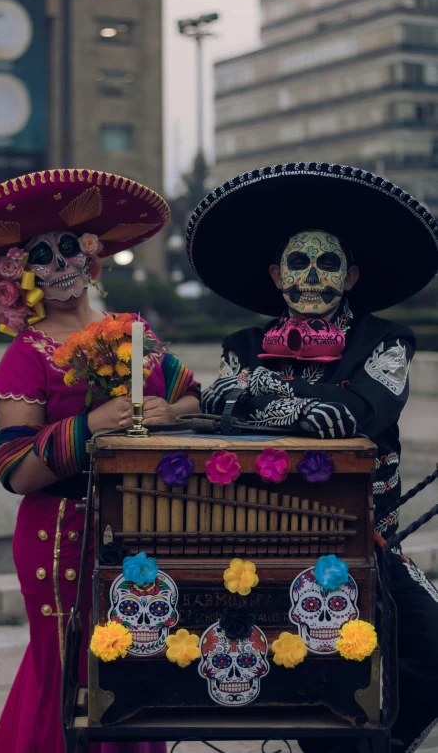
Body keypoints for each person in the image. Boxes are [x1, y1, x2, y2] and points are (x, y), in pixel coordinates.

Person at [0, 167, 201, 753]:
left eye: (70, 247)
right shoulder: (27, 354)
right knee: (69, 677)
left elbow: (192, 396)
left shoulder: (133, 333)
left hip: (141, 529)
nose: (61, 263)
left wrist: (167, 413)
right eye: (42, 255)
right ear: (19, 274)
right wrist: (89, 427)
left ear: (91, 256)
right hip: (61, 539)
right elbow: (15, 470)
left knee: (137, 670)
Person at [185, 162, 438, 753]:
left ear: (350, 276)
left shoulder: (387, 341)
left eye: (328, 264)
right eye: (299, 262)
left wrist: (260, 395)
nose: (313, 277)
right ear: (277, 276)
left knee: (430, 650)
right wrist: (309, 403)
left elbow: (359, 416)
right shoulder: (240, 347)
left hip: (368, 542)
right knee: (316, 681)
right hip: (267, 545)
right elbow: (221, 413)